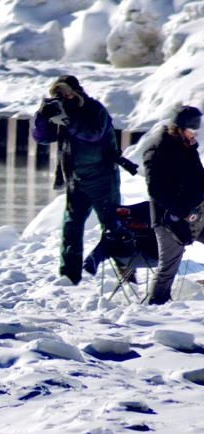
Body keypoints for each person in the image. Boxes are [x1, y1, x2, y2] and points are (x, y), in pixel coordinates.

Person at [32, 75, 126, 285]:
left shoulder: (94, 109)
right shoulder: (60, 111)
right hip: (75, 178)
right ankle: (69, 276)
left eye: (65, 93)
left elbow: (93, 134)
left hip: (102, 177)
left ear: (76, 92)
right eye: (57, 94)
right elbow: (42, 138)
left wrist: (68, 121)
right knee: (71, 227)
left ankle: (126, 271)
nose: (62, 98)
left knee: (113, 224)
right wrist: (42, 117)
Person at [143, 105, 204, 305]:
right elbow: (156, 190)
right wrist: (183, 212)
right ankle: (155, 306)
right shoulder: (158, 149)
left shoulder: (187, 147)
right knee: (168, 265)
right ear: (178, 128)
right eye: (191, 130)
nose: (195, 134)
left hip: (196, 212)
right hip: (169, 217)